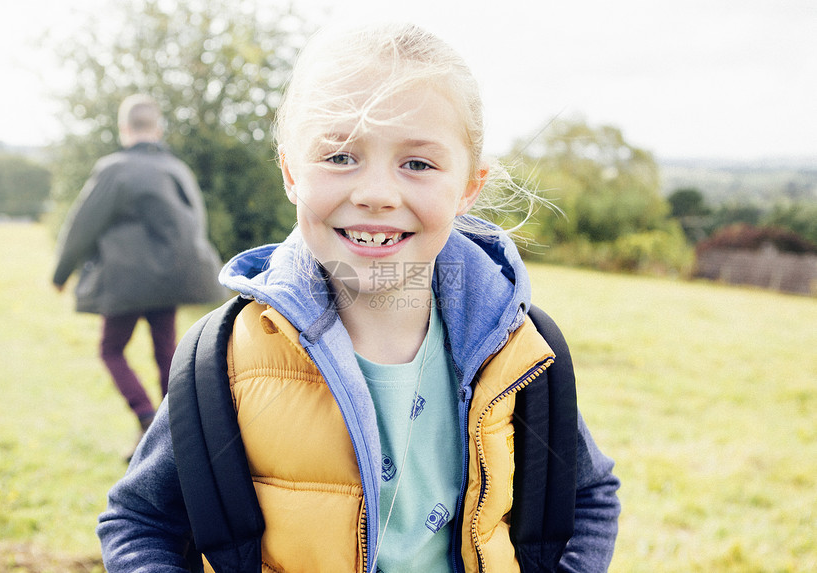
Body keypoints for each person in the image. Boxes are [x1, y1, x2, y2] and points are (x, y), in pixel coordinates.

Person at [97, 24, 620, 572]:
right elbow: (140, 519)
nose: (375, 194)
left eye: (417, 163)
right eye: (341, 156)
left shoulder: (518, 351)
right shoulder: (225, 357)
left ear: (469, 186)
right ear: (291, 172)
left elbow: (589, 495)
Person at [52, 94, 227, 450]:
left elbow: (83, 224)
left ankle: (147, 417)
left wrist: (60, 273)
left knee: (110, 349)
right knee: (166, 351)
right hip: (170, 279)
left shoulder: (115, 168)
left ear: (124, 129)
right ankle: (172, 433)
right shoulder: (177, 169)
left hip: (128, 281)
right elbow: (196, 224)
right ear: (158, 129)